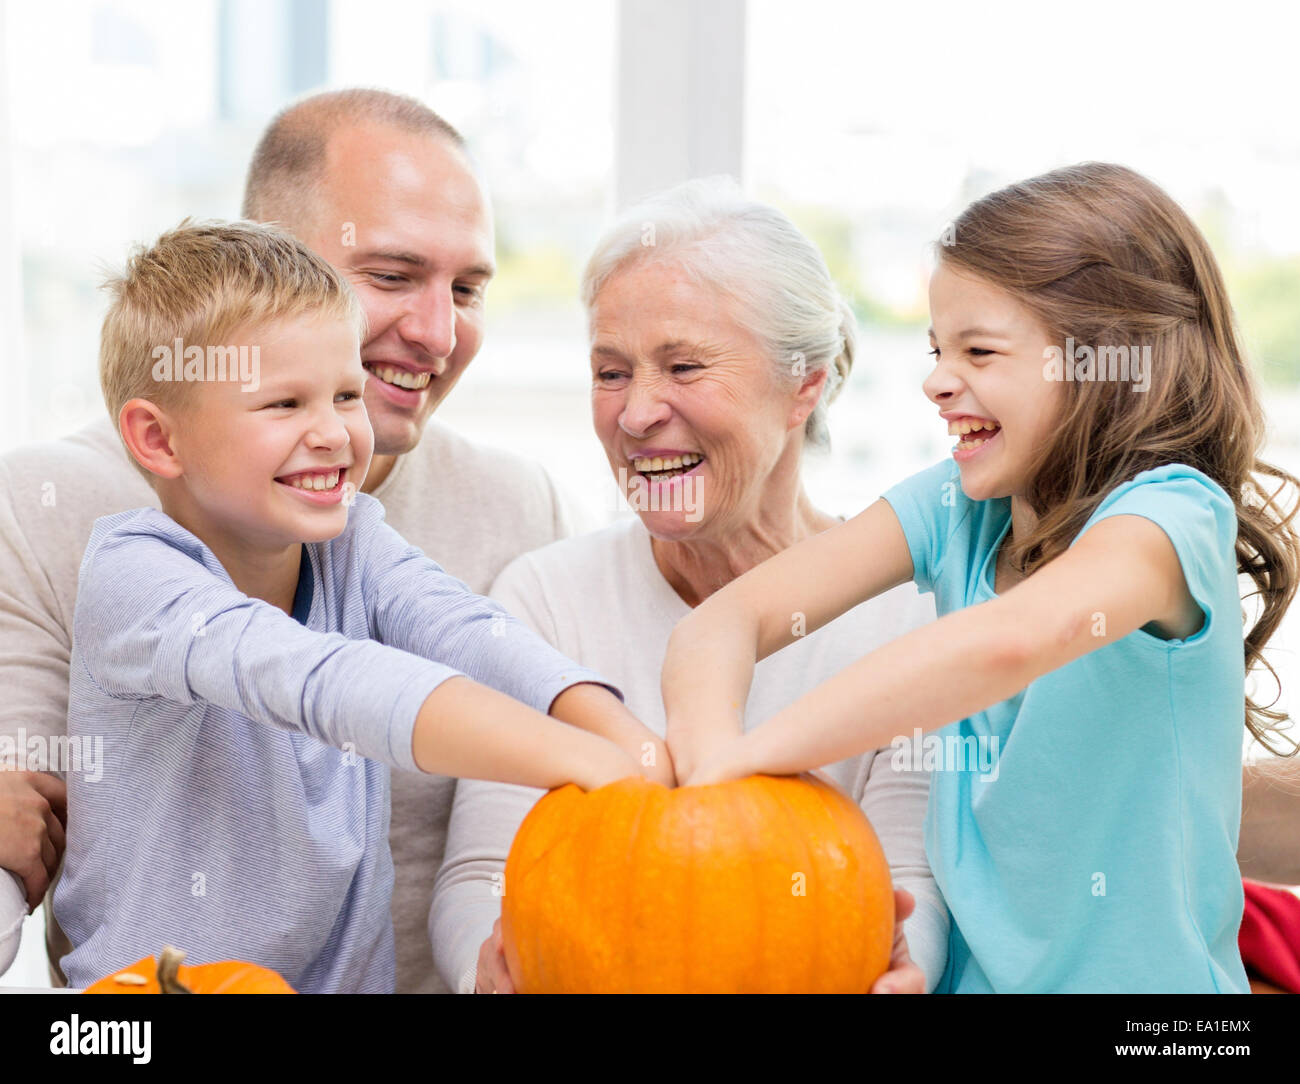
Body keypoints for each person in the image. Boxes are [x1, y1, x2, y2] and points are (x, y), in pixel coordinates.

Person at [0, 89, 591, 991]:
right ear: (273, 261)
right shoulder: (66, 521)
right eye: (391, 276)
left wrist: (614, 734)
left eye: (467, 289)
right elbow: (331, 683)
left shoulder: (504, 509)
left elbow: (478, 662)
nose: (437, 334)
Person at [664, 162, 1300, 993]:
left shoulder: (1171, 521)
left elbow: (1012, 640)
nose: (936, 380)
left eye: (979, 350)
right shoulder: (956, 508)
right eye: (937, 348)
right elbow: (724, 622)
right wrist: (714, 769)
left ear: (1105, 361)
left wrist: (755, 759)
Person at [430, 179, 948, 994]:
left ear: (803, 383)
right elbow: (481, 876)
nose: (636, 414)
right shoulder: (545, 599)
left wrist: (912, 970)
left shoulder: (907, 614)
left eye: (684, 366)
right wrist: (485, 973)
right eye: (610, 372)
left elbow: (908, 878)